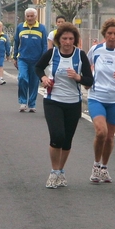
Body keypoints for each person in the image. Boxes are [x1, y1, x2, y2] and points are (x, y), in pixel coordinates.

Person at [35, 22, 93, 188]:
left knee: (67, 140)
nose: (67, 42)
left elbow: (90, 80)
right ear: (58, 40)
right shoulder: (52, 53)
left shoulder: (80, 55)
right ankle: (54, 172)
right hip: (53, 101)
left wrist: (78, 78)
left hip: (73, 102)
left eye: (70, 39)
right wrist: (43, 78)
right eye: (64, 38)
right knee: (57, 136)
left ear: (75, 40)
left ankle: (61, 171)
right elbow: (38, 68)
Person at [87, 18, 115, 183]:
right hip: (96, 97)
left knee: (110, 137)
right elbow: (86, 66)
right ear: (104, 34)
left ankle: (104, 167)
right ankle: (96, 165)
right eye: (109, 33)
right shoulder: (95, 50)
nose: (112, 37)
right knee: (101, 132)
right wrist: (86, 80)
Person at [13, 8, 47, 112]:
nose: (30, 18)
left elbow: (44, 45)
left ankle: (32, 104)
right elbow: (16, 42)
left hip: (36, 60)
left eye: (32, 16)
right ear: (25, 17)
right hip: (23, 59)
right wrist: (15, 57)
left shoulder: (41, 28)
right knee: (23, 78)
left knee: (34, 82)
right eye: (28, 16)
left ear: (36, 17)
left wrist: (43, 60)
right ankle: (23, 102)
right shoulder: (20, 27)